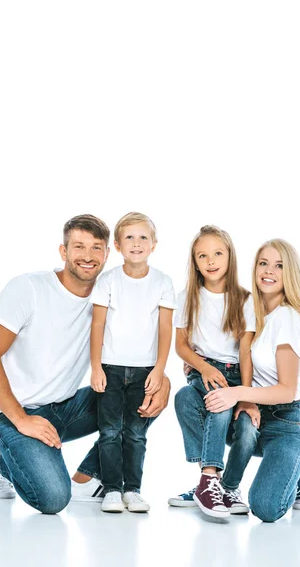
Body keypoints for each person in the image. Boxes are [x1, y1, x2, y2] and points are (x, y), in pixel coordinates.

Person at [0, 214, 170, 515]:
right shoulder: (29, 288)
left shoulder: (111, 293)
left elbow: (138, 341)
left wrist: (163, 377)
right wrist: (21, 419)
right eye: (79, 247)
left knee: (145, 393)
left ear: (108, 253)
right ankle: (3, 460)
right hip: (12, 412)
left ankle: (88, 477)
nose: (88, 256)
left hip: (65, 408)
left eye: (96, 248)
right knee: (52, 498)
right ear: (64, 252)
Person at [204, 239, 300, 522]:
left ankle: (294, 469)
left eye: (279, 265)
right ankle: (210, 483)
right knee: (192, 401)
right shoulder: (254, 308)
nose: (269, 271)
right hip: (255, 417)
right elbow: (241, 351)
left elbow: (288, 390)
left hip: (286, 423)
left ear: (289, 273)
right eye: (263, 263)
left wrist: (241, 393)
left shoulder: (287, 318)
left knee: (264, 507)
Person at [168, 225, 259, 518]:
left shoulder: (245, 299)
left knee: (239, 421)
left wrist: (246, 396)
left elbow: (245, 351)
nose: (211, 261)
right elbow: (181, 346)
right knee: (206, 402)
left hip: (237, 374)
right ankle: (208, 480)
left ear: (230, 256)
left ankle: (221, 486)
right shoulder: (187, 297)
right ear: (194, 262)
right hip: (203, 369)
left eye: (218, 253)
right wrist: (204, 367)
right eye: (202, 256)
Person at [90, 212, 176, 513]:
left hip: (145, 371)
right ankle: (112, 489)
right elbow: (97, 326)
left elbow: (165, 329)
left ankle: (133, 490)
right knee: (110, 431)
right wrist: (96, 366)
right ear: (117, 244)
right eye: (129, 237)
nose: (136, 243)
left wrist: (160, 369)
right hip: (111, 369)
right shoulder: (108, 281)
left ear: (153, 244)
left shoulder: (163, 282)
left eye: (143, 238)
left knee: (136, 433)